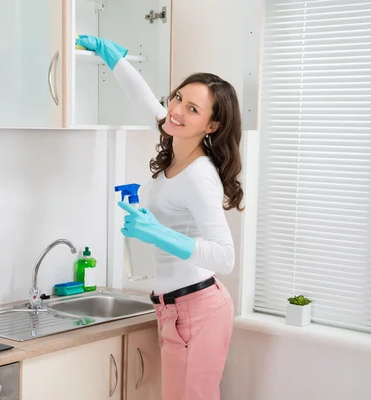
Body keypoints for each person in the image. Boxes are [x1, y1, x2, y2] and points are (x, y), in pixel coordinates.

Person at [75, 35, 244, 400]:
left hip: (197, 309)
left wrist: (158, 234)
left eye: (193, 109)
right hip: (176, 308)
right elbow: (147, 103)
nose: (177, 110)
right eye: (178, 97)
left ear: (211, 126)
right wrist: (114, 58)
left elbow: (225, 256)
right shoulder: (176, 143)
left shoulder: (200, 175)